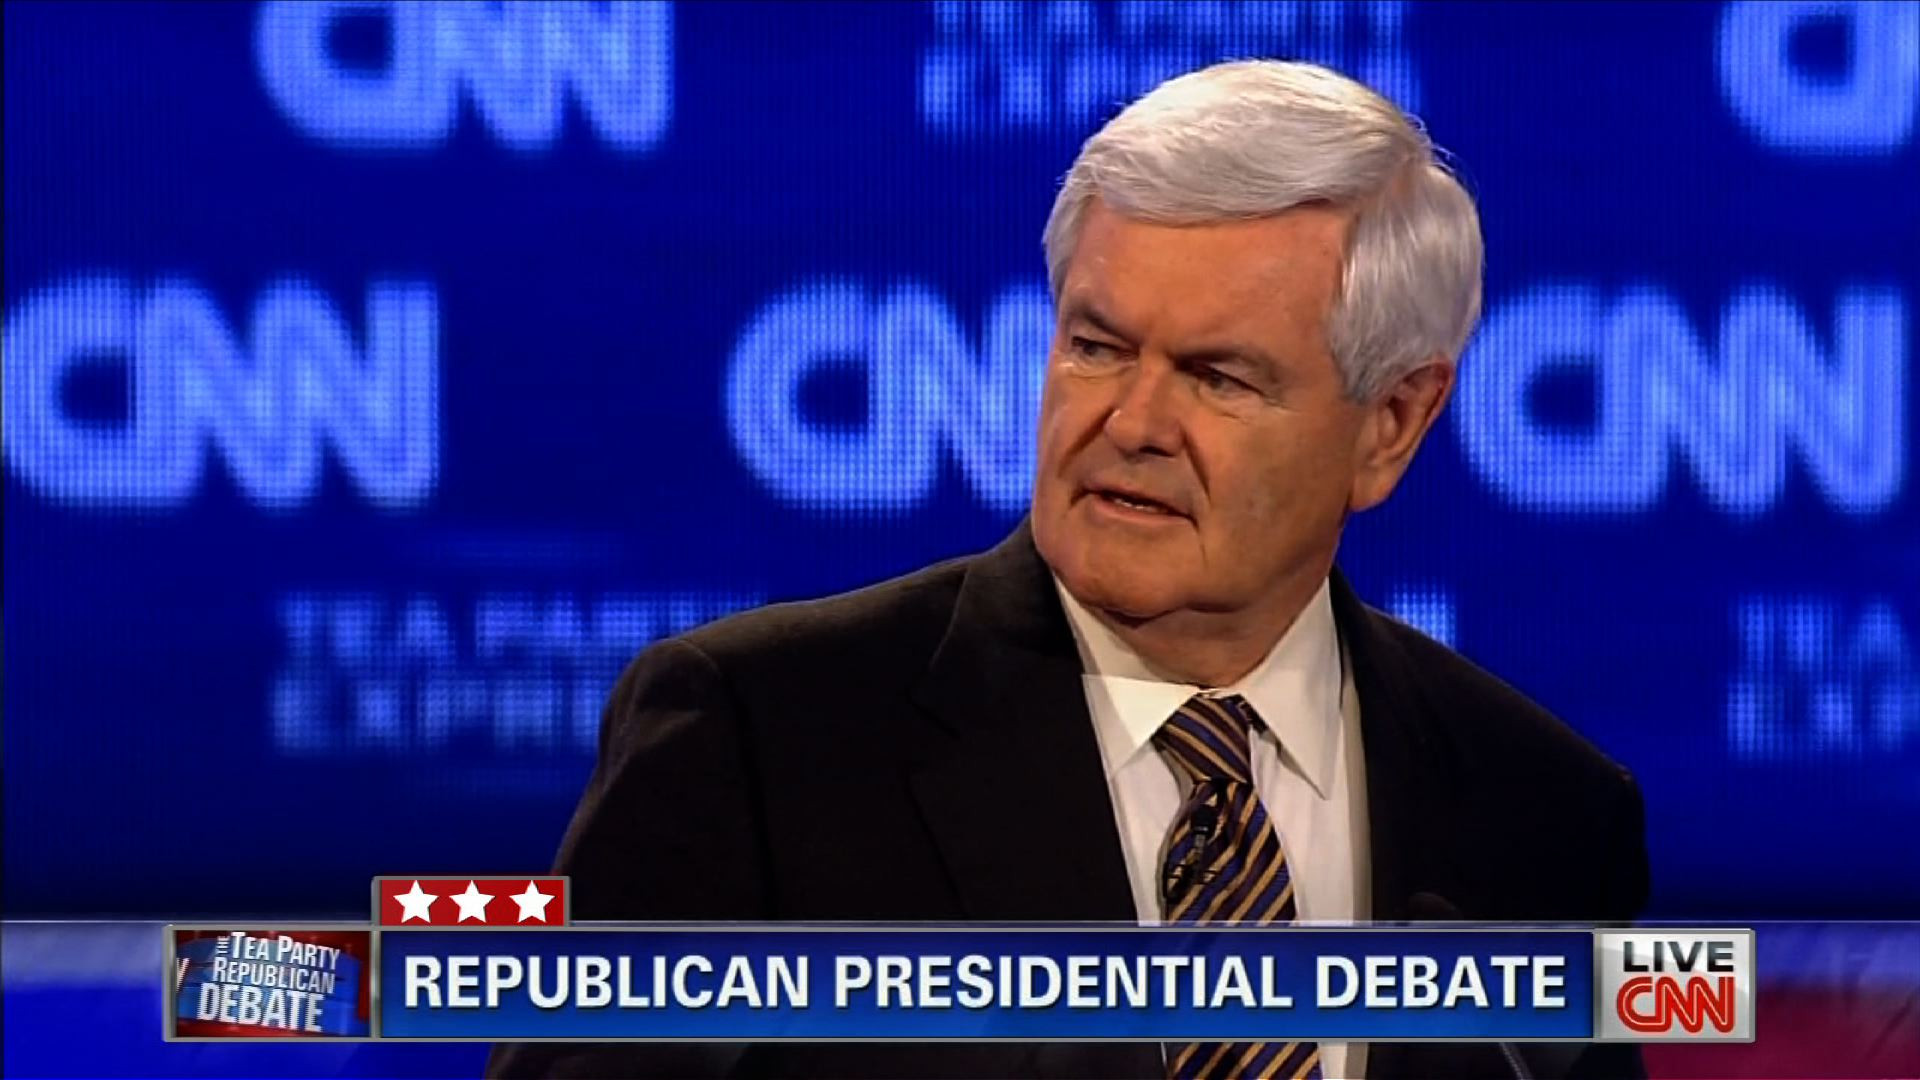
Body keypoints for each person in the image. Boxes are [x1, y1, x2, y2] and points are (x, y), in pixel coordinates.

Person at [489, 59, 1648, 1080]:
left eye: (1219, 377)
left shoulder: (1542, 814)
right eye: (1096, 345)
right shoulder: (761, 738)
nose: (1130, 424)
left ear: (1392, 422)